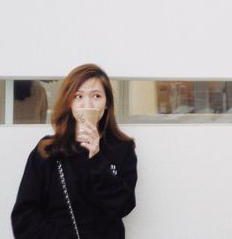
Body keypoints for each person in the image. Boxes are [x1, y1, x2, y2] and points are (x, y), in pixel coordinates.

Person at [11, 63, 138, 239]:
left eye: (96, 96)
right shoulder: (47, 151)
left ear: (107, 102)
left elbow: (123, 206)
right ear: (69, 102)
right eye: (79, 96)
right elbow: (24, 219)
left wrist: (97, 158)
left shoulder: (122, 148)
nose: (88, 104)